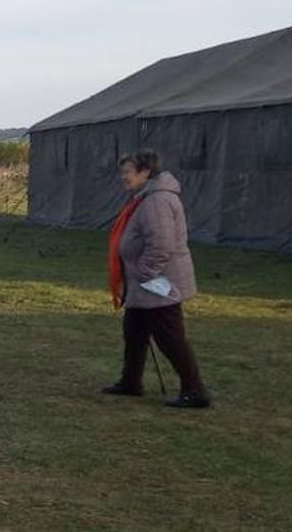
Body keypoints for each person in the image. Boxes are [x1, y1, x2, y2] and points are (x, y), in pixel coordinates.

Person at [103, 150, 210, 409]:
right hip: (144, 284)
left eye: (128, 171)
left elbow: (161, 245)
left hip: (158, 283)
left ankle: (195, 390)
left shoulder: (157, 201)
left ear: (145, 173)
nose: (124, 177)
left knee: (169, 336)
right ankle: (131, 382)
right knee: (135, 333)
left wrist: (145, 273)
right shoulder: (145, 198)